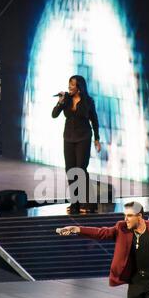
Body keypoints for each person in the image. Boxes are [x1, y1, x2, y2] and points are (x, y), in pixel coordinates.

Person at [52, 75, 101, 214]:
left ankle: (89, 203)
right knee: (70, 170)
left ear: (79, 87)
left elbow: (94, 120)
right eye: (69, 85)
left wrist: (97, 138)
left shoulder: (88, 101)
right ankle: (75, 203)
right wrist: (60, 102)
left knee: (80, 169)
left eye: (72, 85)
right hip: (68, 137)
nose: (69, 87)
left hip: (83, 137)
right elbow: (54, 115)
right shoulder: (66, 100)